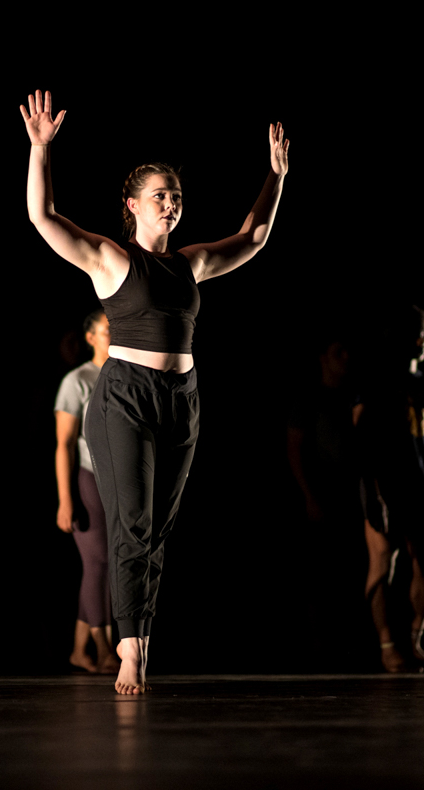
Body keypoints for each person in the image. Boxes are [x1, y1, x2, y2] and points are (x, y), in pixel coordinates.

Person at [22, 89, 289, 694]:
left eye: (176, 195)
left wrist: (275, 178)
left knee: (158, 532)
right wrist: (40, 150)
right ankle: (130, 650)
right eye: (160, 195)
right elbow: (43, 217)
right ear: (133, 206)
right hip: (124, 399)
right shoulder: (110, 259)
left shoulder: (190, 263)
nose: (172, 202)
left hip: (182, 399)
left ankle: (138, 637)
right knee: (134, 527)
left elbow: (252, 238)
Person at [358, 306, 424, 672]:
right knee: (383, 566)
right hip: (387, 489)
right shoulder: (375, 384)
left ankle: (414, 639)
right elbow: (363, 446)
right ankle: (387, 646)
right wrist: (373, 496)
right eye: (418, 331)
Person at [54, 310, 119, 674]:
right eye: (107, 330)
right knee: (98, 564)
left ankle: (79, 651)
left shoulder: (124, 375)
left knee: (100, 566)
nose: (114, 335)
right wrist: (65, 499)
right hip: (88, 480)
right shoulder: (76, 380)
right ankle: (104, 648)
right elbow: (63, 444)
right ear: (91, 337)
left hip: (117, 483)